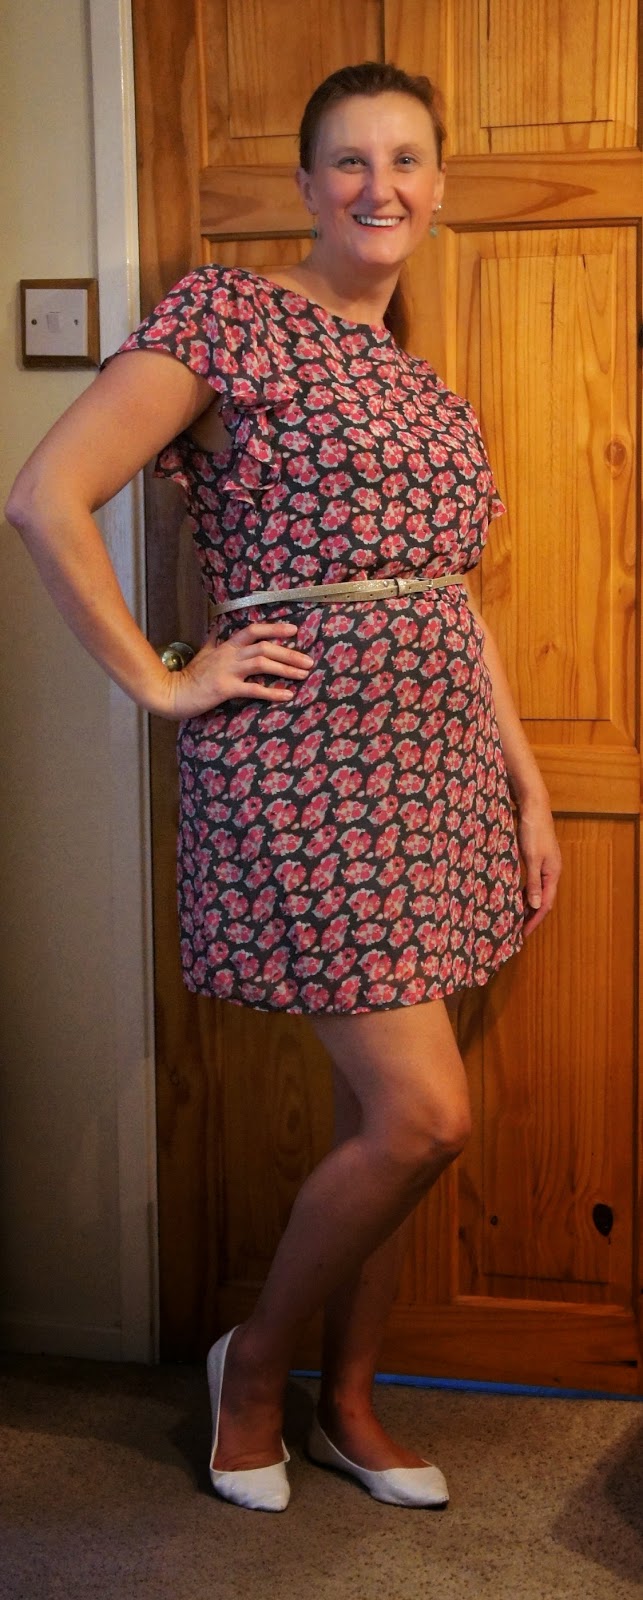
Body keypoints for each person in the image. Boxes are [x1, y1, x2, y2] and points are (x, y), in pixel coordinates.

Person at [6, 60, 562, 1513]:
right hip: (305, 770)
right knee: (423, 1116)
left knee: (384, 1127)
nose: (381, 186)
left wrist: (526, 784)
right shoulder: (228, 319)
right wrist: (162, 678)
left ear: (437, 190)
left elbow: (449, 600)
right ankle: (251, 1369)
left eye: (407, 160)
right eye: (351, 161)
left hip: (442, 771)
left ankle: (352, 1405)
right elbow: (44, 494)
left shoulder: (428, 390)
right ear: (308, 185)